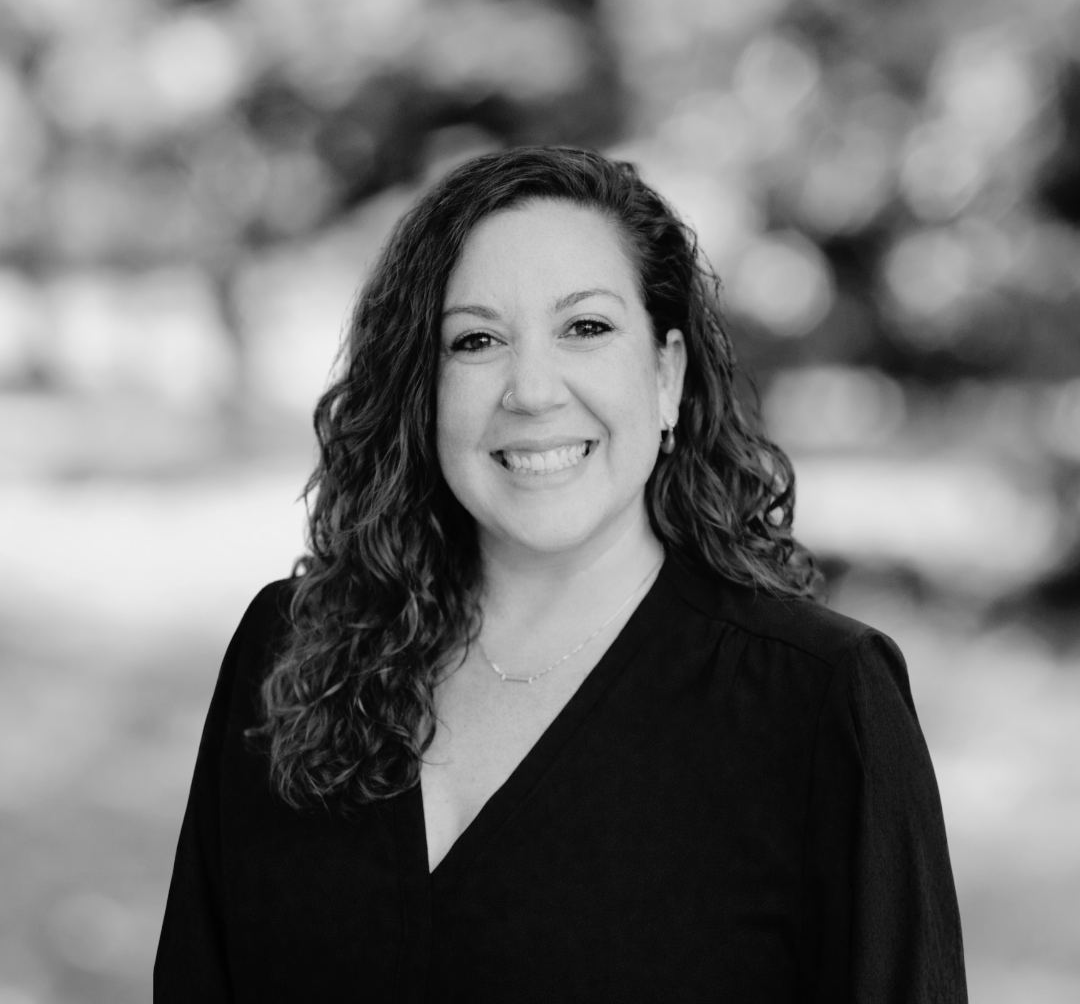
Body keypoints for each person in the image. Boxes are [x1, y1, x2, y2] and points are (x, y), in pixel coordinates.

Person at [155, 146, 967, 1002]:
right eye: (475, 341)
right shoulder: (287, 658)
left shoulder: (820, 704)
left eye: (586, 327)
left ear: (666, 376)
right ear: (421, 393)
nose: (532, 390)